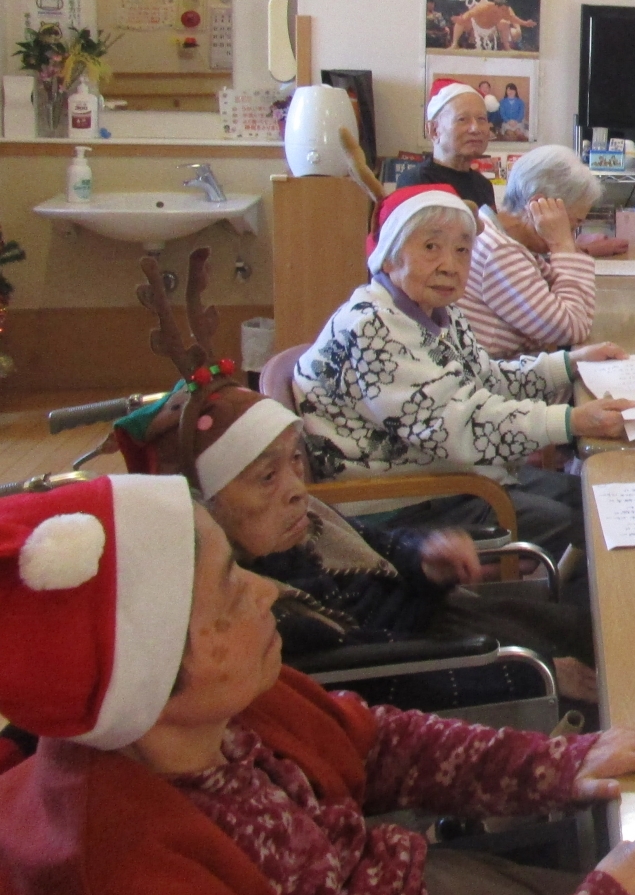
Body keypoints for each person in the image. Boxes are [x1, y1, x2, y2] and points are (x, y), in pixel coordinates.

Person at [0, 473, 635, 895]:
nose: (268, 591)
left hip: (407, 890)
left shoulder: (217, 707)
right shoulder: (126, 882)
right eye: (230, 589)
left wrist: (564, 761)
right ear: (150, 664)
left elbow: (375, 743)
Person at [117, 251, 599, 706]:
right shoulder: (264, 606)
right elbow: (387, 680)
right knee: (599, 656)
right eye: (266, 477)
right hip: (451, 668)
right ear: (209, 504)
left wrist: (425, 558)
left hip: (441, 615)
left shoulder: (306, 523)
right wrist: (536, 674)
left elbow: (378, 546)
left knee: (592, 624)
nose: (296, 489)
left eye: (296, 461)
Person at [293, 186, 635, 559]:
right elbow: (455, 427)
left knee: (599, 497)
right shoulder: (373, 326)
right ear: (389, 257)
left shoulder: (436, 311)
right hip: (396, 503)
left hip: (447, 474)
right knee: (595, 522)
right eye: (431, 247)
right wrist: (570, 421)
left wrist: (568, 364)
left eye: (462, 250)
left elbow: (487, 379)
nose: (449, 265)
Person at [464, 144, 603, 359]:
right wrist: (563, 246)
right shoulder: (499, 251)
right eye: (572, 225)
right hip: (501, 374)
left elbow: (579, 310)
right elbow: (572, 329)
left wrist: (564, 250)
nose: (571, 235)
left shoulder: (505, 238)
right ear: (539, 205)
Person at [397, 80, 497, 209]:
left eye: (481, 119)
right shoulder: (416, 182)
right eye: (462, 119)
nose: (475, 128)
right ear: (434, 130)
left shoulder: (484, 186)